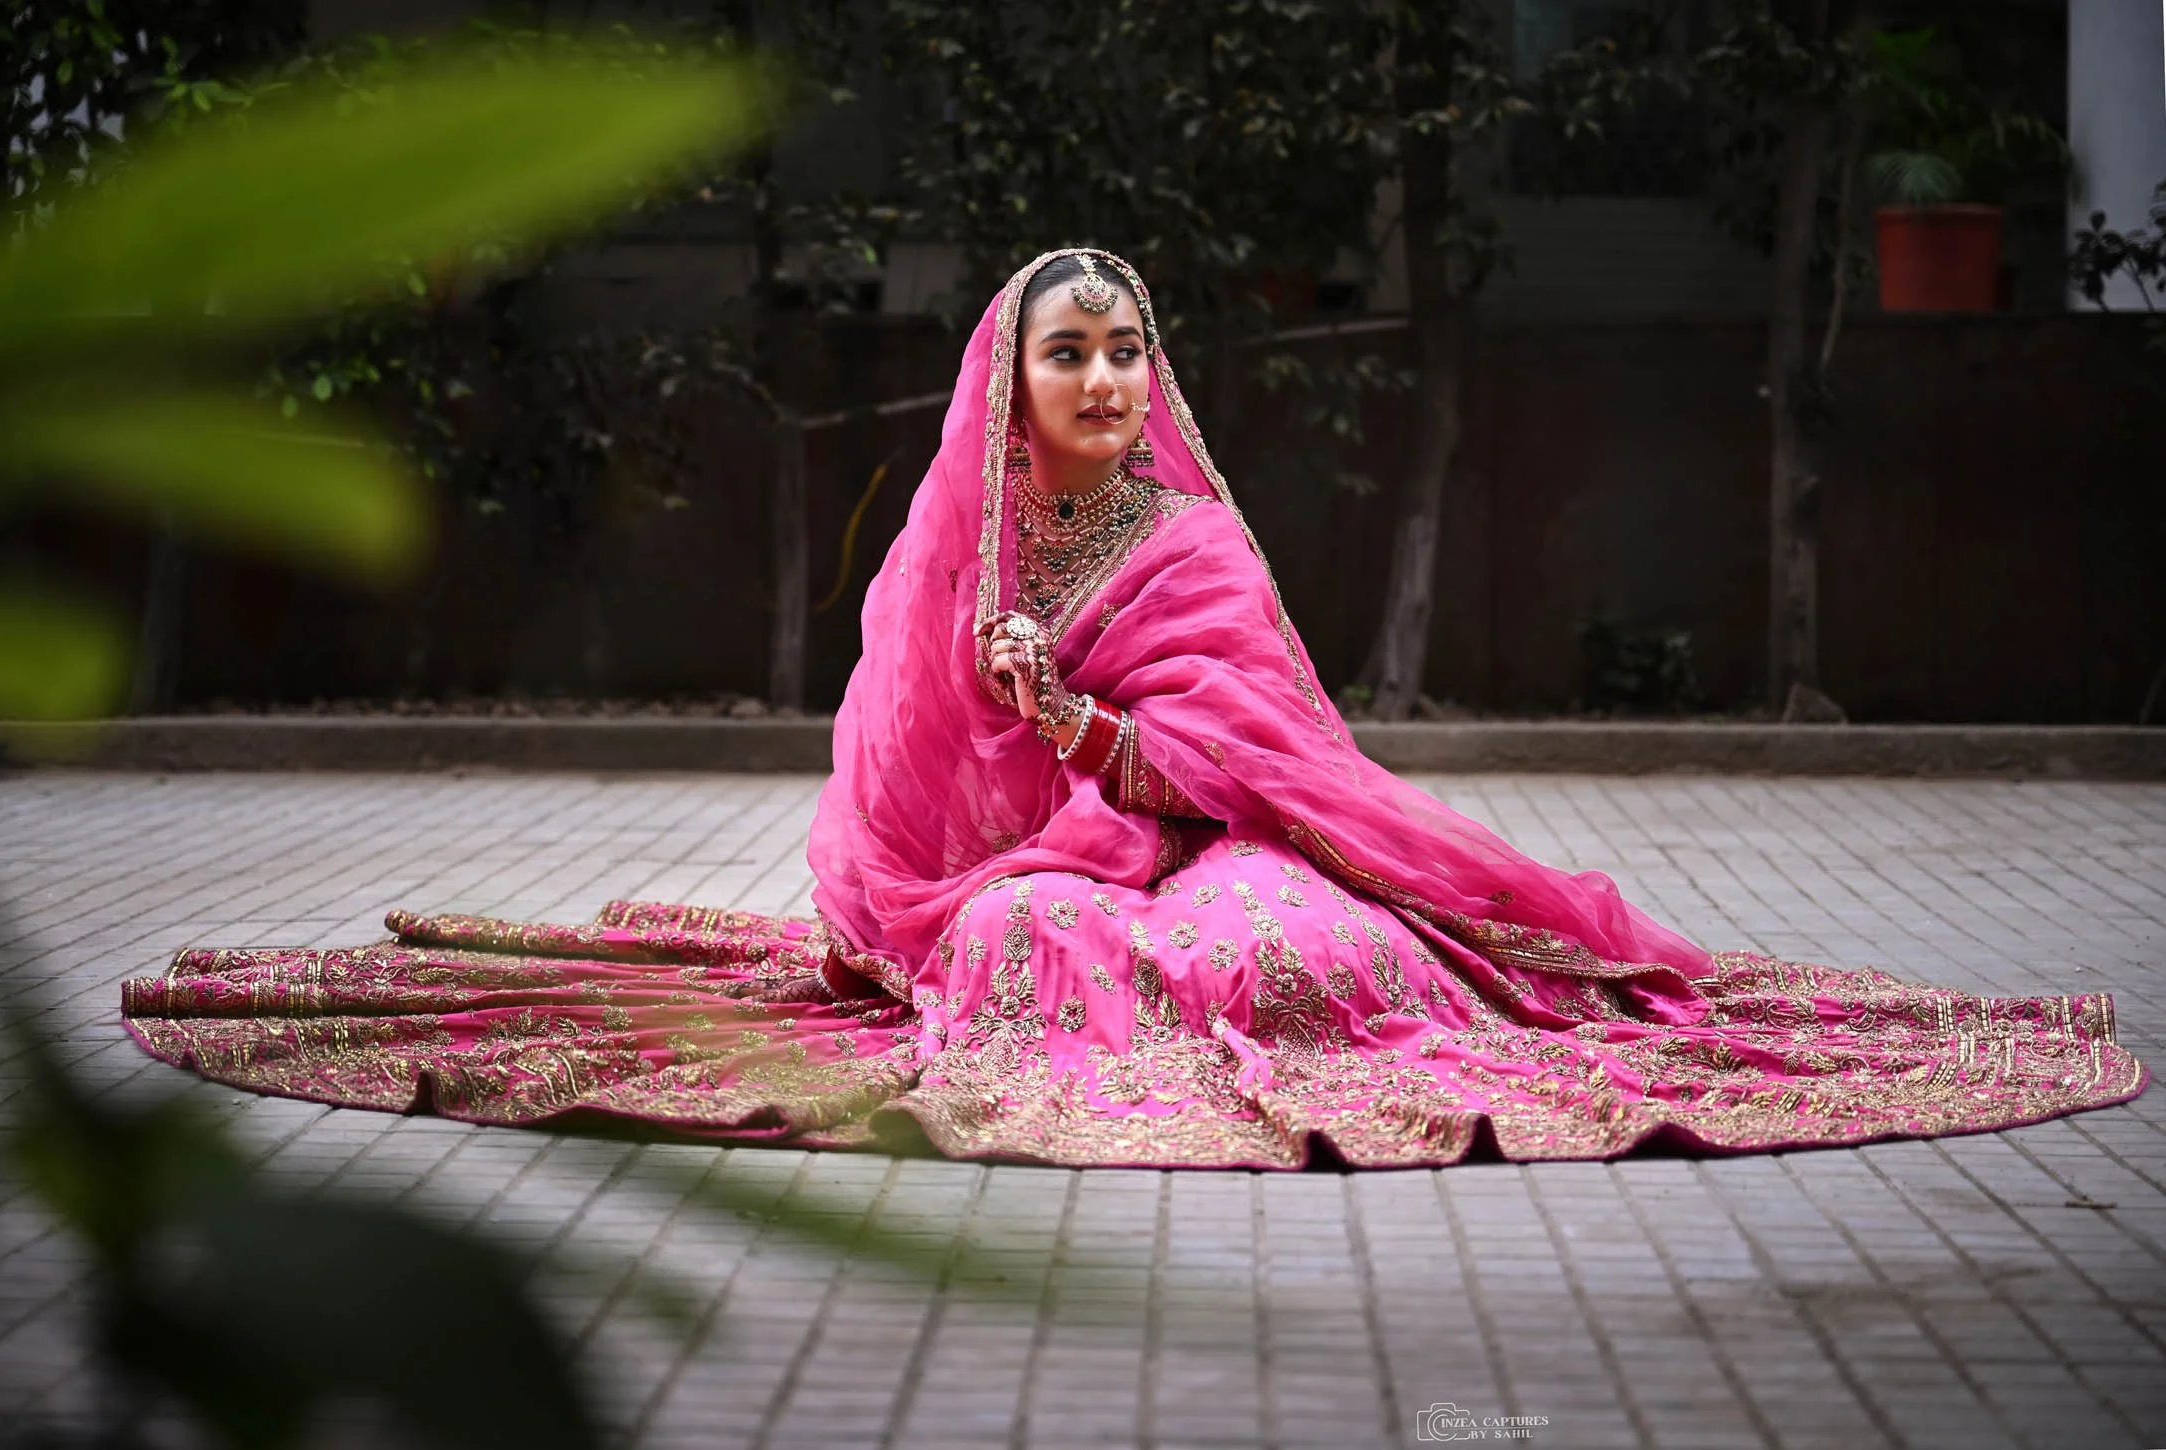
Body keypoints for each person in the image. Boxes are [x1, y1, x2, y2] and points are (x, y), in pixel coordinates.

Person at [121, 250, 2146, 1168]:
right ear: (1010, 381)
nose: (1098, 377)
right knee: (1011, 934)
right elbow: (917, 799)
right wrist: (1024, 742)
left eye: (1122, 349)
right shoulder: (962, 557)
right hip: (1037, 877)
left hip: (1224, 843)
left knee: (1305, 939)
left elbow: (1281, 748)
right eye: (1065, 351)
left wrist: (1111, 744)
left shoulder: (1188, 535)